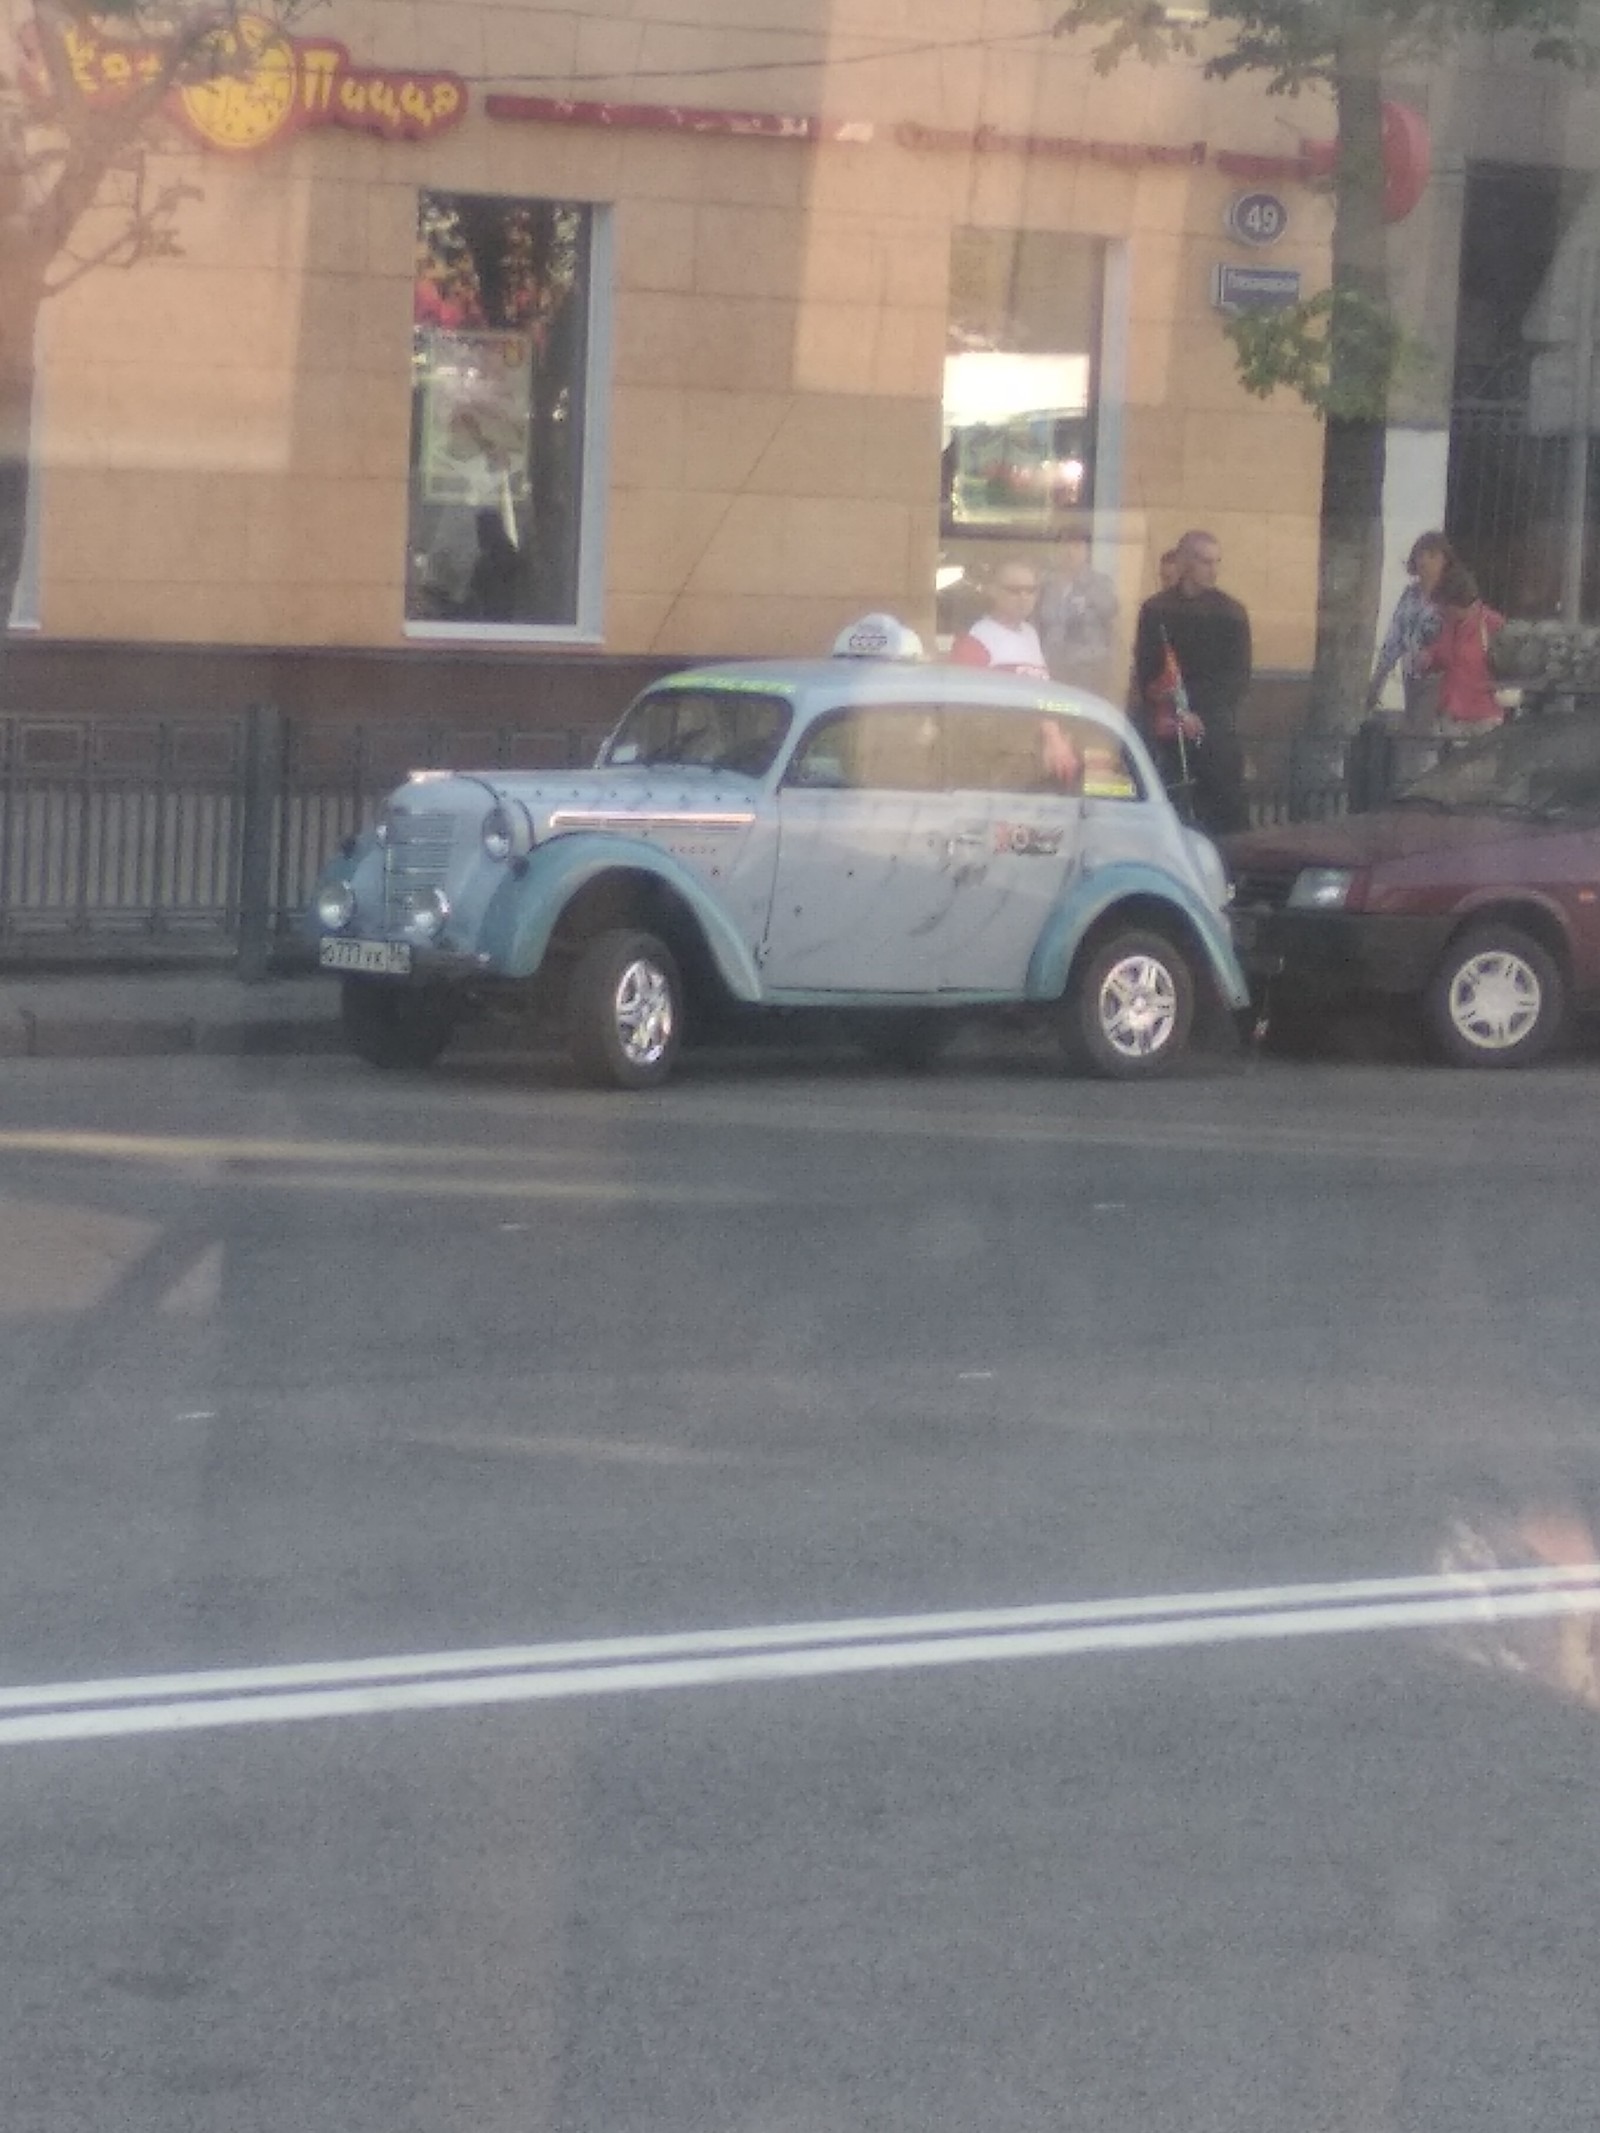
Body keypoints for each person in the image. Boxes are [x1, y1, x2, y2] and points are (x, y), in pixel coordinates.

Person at [1132, 528, 1252, 834]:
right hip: (1168, 726)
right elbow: (1147, 669)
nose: (1213, 570)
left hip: (1214, 728)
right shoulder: (1156, 610)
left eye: (1217, 562)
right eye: (1204, 562)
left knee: (1225, 815)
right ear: (1185, 562)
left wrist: (1198, 711)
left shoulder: (1231, 612)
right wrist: (1174, 709)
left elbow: (1237, 676)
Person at [1367, 531, 1456, 729]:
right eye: (1420, 555)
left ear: (1445, 561)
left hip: (1440, 679)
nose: (1424, 561)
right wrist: (1378, 680)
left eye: (1432, 556)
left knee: (1422, 737)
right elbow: (1394, 637)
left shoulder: (1451, 597)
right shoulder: (1410, 596)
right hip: (1411, 677)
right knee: (1414, 732)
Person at [1036, 521, 1119, 697]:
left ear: (1087, 551)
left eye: (1077, 546)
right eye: (1064, 544)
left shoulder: (1100, 583)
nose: (1070, 551)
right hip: (1049, 669)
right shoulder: (1044, 583)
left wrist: (1088, 601)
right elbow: (1035, 623)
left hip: (1087, 672)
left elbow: (1111, 610)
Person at [1419, 562, 1505, 728]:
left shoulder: (1493, 624)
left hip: (1484, 718)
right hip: (1450, 715)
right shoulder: (1447, 625)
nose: (1442, 612)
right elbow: (1441, 657)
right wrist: (1428, 658)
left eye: (1447, 608)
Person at [949, 559, 1050, 677]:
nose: (1024, 597)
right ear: (993, 591)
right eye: (1014, 590)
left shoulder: (1030, 633)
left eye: (1031, 590)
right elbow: (965, 690)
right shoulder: (976, 638)